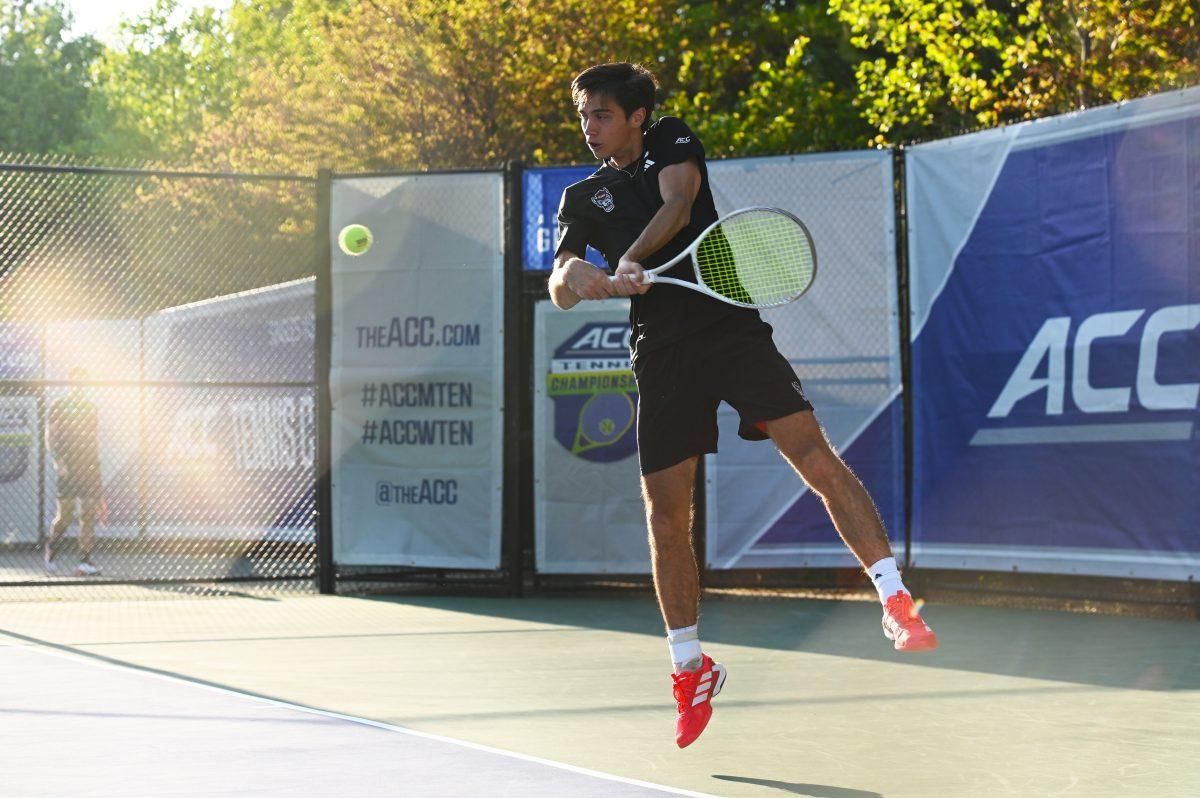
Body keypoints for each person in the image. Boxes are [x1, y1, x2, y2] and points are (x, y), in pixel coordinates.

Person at [548, 62, 937, 749]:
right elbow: (560, 278)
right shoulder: (581, 195)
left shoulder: (670, 138)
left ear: (636, 116)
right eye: (583, 116)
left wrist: (633, 257)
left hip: (729, 331)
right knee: (667, 517)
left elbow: (678, 202)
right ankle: (689, 669)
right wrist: (576, 277)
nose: (589, 128)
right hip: (661, 356)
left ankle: (894, 598)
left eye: (601, 115)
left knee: (814, 456)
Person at [44, 367, 103, 576]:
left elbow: (94, 439)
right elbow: (50, 436)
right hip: (68, 468)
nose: (79, 386)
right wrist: (58, 461)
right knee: (65, 516)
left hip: (88, 467)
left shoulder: (90, 408)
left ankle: (84, 561)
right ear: (70, 383)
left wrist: (96, 468)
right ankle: (51, 549)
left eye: (82, 382)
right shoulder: (58, 406)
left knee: (87, 513)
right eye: (75, 382)